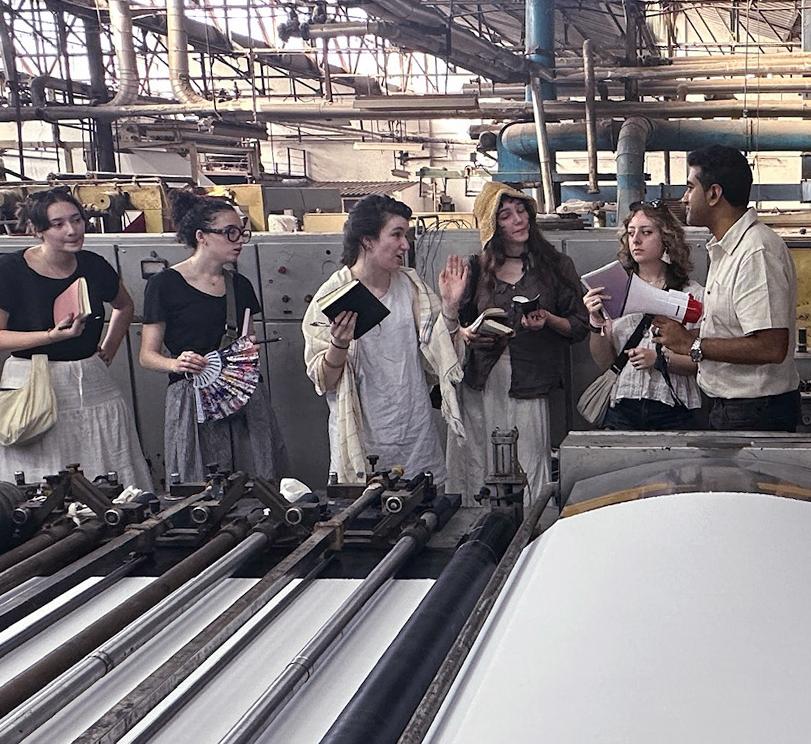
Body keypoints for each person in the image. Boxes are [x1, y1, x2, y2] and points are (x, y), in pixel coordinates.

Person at [302, 194, 466, 484]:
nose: (406, 245)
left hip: (415, 437)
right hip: (363, 442)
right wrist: (339, 344)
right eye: (397, 234)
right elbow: (323, 381)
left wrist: (450, 309)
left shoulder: (412, 288)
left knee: (425, 505)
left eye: (406, 235)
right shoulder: (331, 297)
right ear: (367, 240)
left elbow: (439, 364)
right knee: (366, 510)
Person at [445, 182, 589, 506]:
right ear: (492, 226)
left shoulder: (555, 266)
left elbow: (580, 325)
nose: (518, 220)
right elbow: (456, 326)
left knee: (529, 462)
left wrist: (547, 319)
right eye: (506, 215)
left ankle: (529, 529)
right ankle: (478, 529)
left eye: (521, 211)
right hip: (482, 381)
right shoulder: (477, 269)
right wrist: (466, 332)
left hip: (530, 380)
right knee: (480, 461)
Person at [0, 187, 151, 487]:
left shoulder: (93, 264)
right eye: (58, 224)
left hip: (91, 378)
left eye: (76, 220)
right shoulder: (10, 270)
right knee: (44, 472)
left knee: (106, 458)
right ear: (37, 230)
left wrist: (108, 348)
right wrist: (49, 337)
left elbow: (124, 306)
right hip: (33, 380)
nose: (72, 230)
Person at [140, 190, 288, 482]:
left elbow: (249, 341)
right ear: (201, 236)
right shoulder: (164, 285)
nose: (239, 241)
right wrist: (176, 363)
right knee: (199, 481)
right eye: (230, 233)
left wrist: (248, 350)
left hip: (242, 394)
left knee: (257, 477)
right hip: (191, 397)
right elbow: (147, 355)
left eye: (242, 233)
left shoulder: (240, 285)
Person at [654, 145, 801, 431]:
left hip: (755, 411)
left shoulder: (756, 251)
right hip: (732, 407)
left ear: (714, 194)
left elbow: (771, 346)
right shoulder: (727, 249)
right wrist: (687, 335)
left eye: (690, 188)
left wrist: (692, 345)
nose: (684, 198)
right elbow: (734, 332)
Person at [583, 200, 704, 430]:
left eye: (646, 232)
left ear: (667, 239)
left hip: (673, 406)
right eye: (631, 233)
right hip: (623, 405)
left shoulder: (692, 294)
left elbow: (701, 361)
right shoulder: (614, 289)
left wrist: (659, 361)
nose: (636, 240)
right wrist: (595, 322)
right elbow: (605, 361)